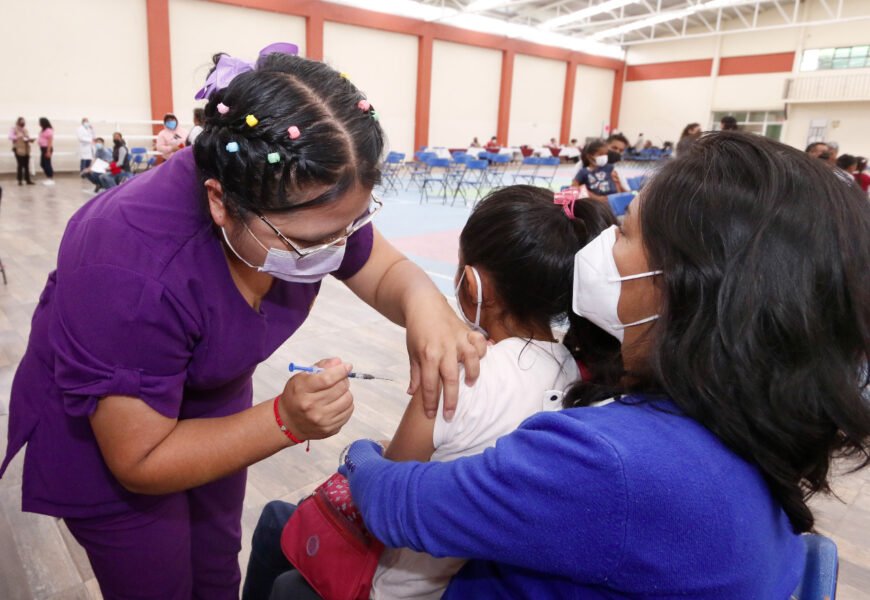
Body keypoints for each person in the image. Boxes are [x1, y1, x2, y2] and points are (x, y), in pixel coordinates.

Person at [0, 46, 485, 599]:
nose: (334, 251)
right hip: (113, 435)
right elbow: (140, 459)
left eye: (349, 227)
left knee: (214, 562)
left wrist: (428, 308)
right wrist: (284, 420)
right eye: (308, 242)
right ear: (220, 203)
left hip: (211, 394)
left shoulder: (302, 201)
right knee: (154, 581)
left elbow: (387, 270)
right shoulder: (131, 267)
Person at [337, 131, 870, 598]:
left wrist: (357, 453)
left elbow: (397, 506)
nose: (602, 242)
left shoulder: (608, 461)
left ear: (687, 285)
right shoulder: (740, 419)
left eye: (626, 230)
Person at [243, 187, 618, 599]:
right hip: (470, 574)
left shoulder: (459, 376)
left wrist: (360, 451)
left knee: (281, 567)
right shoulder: (575, 373)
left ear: (471, 284)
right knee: (280, 521)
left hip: (397, 586)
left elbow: (383, 491)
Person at [9, 117, 34, 185]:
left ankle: (28, 180)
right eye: (21, 121)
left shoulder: (25, 129)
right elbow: (10, 137)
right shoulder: (14, 129)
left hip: (26, 149)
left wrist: (30, 140)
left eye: (23, 121)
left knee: (26, 165)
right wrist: (17, 136)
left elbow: (26, 137)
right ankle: (19, 180)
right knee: (20, 165)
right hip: (18, 149)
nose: (23, 123)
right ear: (18, 122)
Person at [38, 117, 55, 186]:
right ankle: (48, 177)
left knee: (47, 163)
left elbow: (50, 141)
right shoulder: (43, 130)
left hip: (47, 148)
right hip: (42, 148)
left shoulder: (49, 130)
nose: (39, 124)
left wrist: (48, 151)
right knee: (42, 164)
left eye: (40, 122)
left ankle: (50, 178)